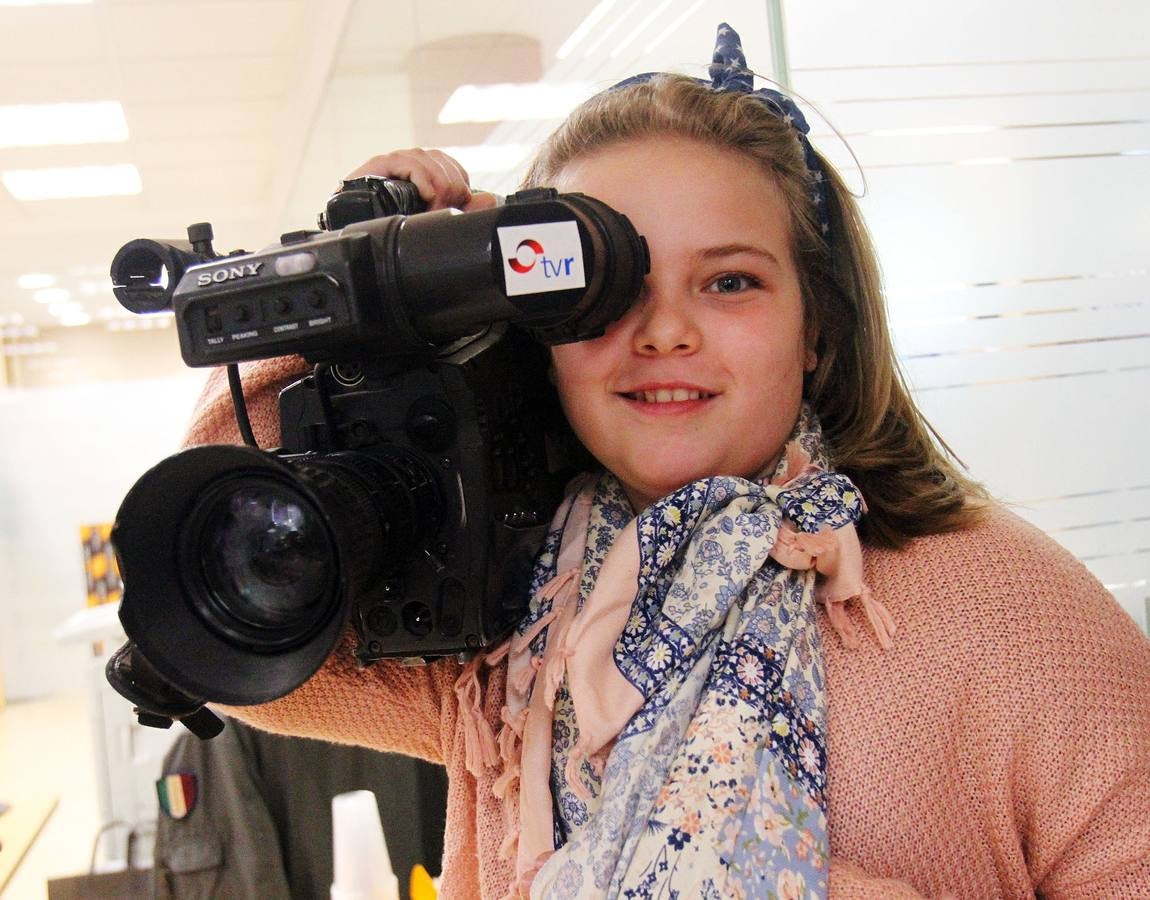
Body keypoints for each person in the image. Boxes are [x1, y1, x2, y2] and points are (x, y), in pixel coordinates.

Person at [187, 23, 1150, 899]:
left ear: (816, 327)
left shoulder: (1013, 614)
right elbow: (229, 612)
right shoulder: (496, 624)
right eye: (608, 288)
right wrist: (371, 281)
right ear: (536, 327)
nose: (666, 332)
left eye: (730, 281)